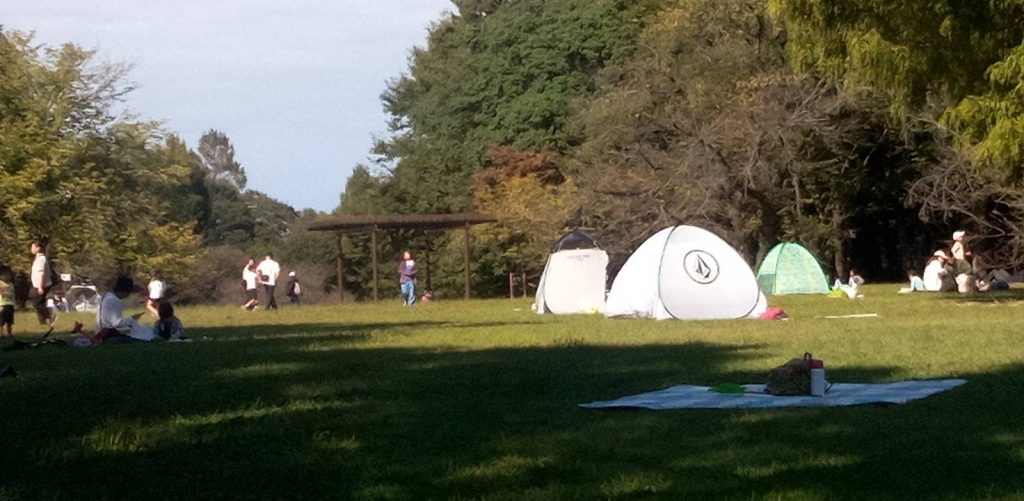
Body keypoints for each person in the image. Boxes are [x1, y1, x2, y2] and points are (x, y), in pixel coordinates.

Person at [95, 276, 145, 343]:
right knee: (139, 340)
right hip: (107, 334)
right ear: (125, 291)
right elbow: (117, 323)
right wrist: (132, 319)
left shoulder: (107, 297)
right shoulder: (114, 300)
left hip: (100, 332)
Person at [30, 240, 53, 325]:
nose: (31, 249)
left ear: (38, 248)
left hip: (42, 285)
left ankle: (49, 315)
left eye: (33, 247)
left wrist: (40, 287)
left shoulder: (41, 259)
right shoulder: (37, 259)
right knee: (41, 302)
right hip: (37, 284)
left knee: (36, 303)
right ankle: (42, 323)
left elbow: (41, 273)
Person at [0, 266, 15, 338]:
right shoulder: (0, 283)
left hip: (10, 304)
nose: (8, 276)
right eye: (6, 274)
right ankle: (1, 333)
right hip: (2, 304)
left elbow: (13, 294)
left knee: (10, 321)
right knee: (1, 321)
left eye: (9, 274)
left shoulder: (11, 284)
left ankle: (9, 333)